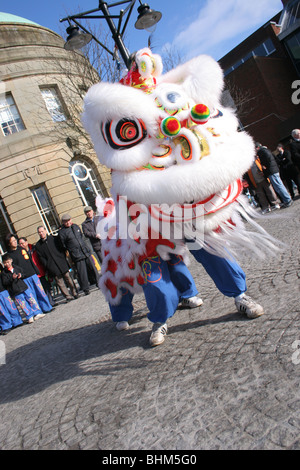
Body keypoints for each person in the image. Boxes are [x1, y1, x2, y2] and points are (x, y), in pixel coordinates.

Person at [5, 234, 53, 313]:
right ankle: (37, 311)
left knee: (40, 292)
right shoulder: (10, 255)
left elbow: (30, 260)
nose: (15, 242)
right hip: (24, 277)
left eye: (15, 240)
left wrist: (36, 270)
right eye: (12, 241)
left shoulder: (21, 249)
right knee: (31, 296)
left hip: (32, 274)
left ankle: (47, 307)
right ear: (9, 244)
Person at [58, 214, 99, 295]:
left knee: (93, 268)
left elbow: (81, 236)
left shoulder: (76, 226)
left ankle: (99, 282)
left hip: (84, 250)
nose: (68, 222)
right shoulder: (62, 232)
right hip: (76, 254)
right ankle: (85, 288)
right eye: (66, 221)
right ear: (63, 222)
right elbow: (63, 245)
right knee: (82, 272)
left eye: (69, 220)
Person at [35, 225, 78, 302]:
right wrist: (47, 265)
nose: (41, 233)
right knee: (60, 282)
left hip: (61, 262)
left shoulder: (54, 239)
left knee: (68, 278)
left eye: (42, 231)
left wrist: (63, 258)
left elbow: (62, 249)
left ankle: (74, 292)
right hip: (52, 266)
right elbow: (41, 258)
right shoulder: (38, 245)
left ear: (45, 231)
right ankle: (68, 296)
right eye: (39, 232)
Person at [1, 253, 45, 324]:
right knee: (22, 303)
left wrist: (21, 275)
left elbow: (24, 274)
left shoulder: (17, 268)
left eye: (8, 262)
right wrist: (12, 278)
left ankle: (37, 312)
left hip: (23, 286)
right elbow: (5, 282)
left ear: (11, 260)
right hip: (15, 290)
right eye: (5, 263)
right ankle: (29, 315)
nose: (7, 264)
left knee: (31, 299)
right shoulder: (4, 273)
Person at [18, 236, 56, 307]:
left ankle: (50, 302)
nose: (21, 245)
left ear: (26, 242)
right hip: (31, 274)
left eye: (22, 243)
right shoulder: (20, 253)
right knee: (37, 291)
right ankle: (44, 305)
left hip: (40, 271)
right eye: (20, 244)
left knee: (46, 288)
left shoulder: (34, 248)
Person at [255, 143, 293, 207]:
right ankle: (286, 200)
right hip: (273, 170)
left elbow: (268, 160)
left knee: (278, 186)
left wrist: (265, 167)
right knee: (279, 185)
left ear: (257, 147)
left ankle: (287, 200)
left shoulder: (262, 151)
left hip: (271, 171)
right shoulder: (266, 150)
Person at [0, 263, 23, 334]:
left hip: (3, 289)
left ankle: (17, 321)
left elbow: (5, 273)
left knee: (10, 306)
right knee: (1, 311)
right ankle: (6, 325)